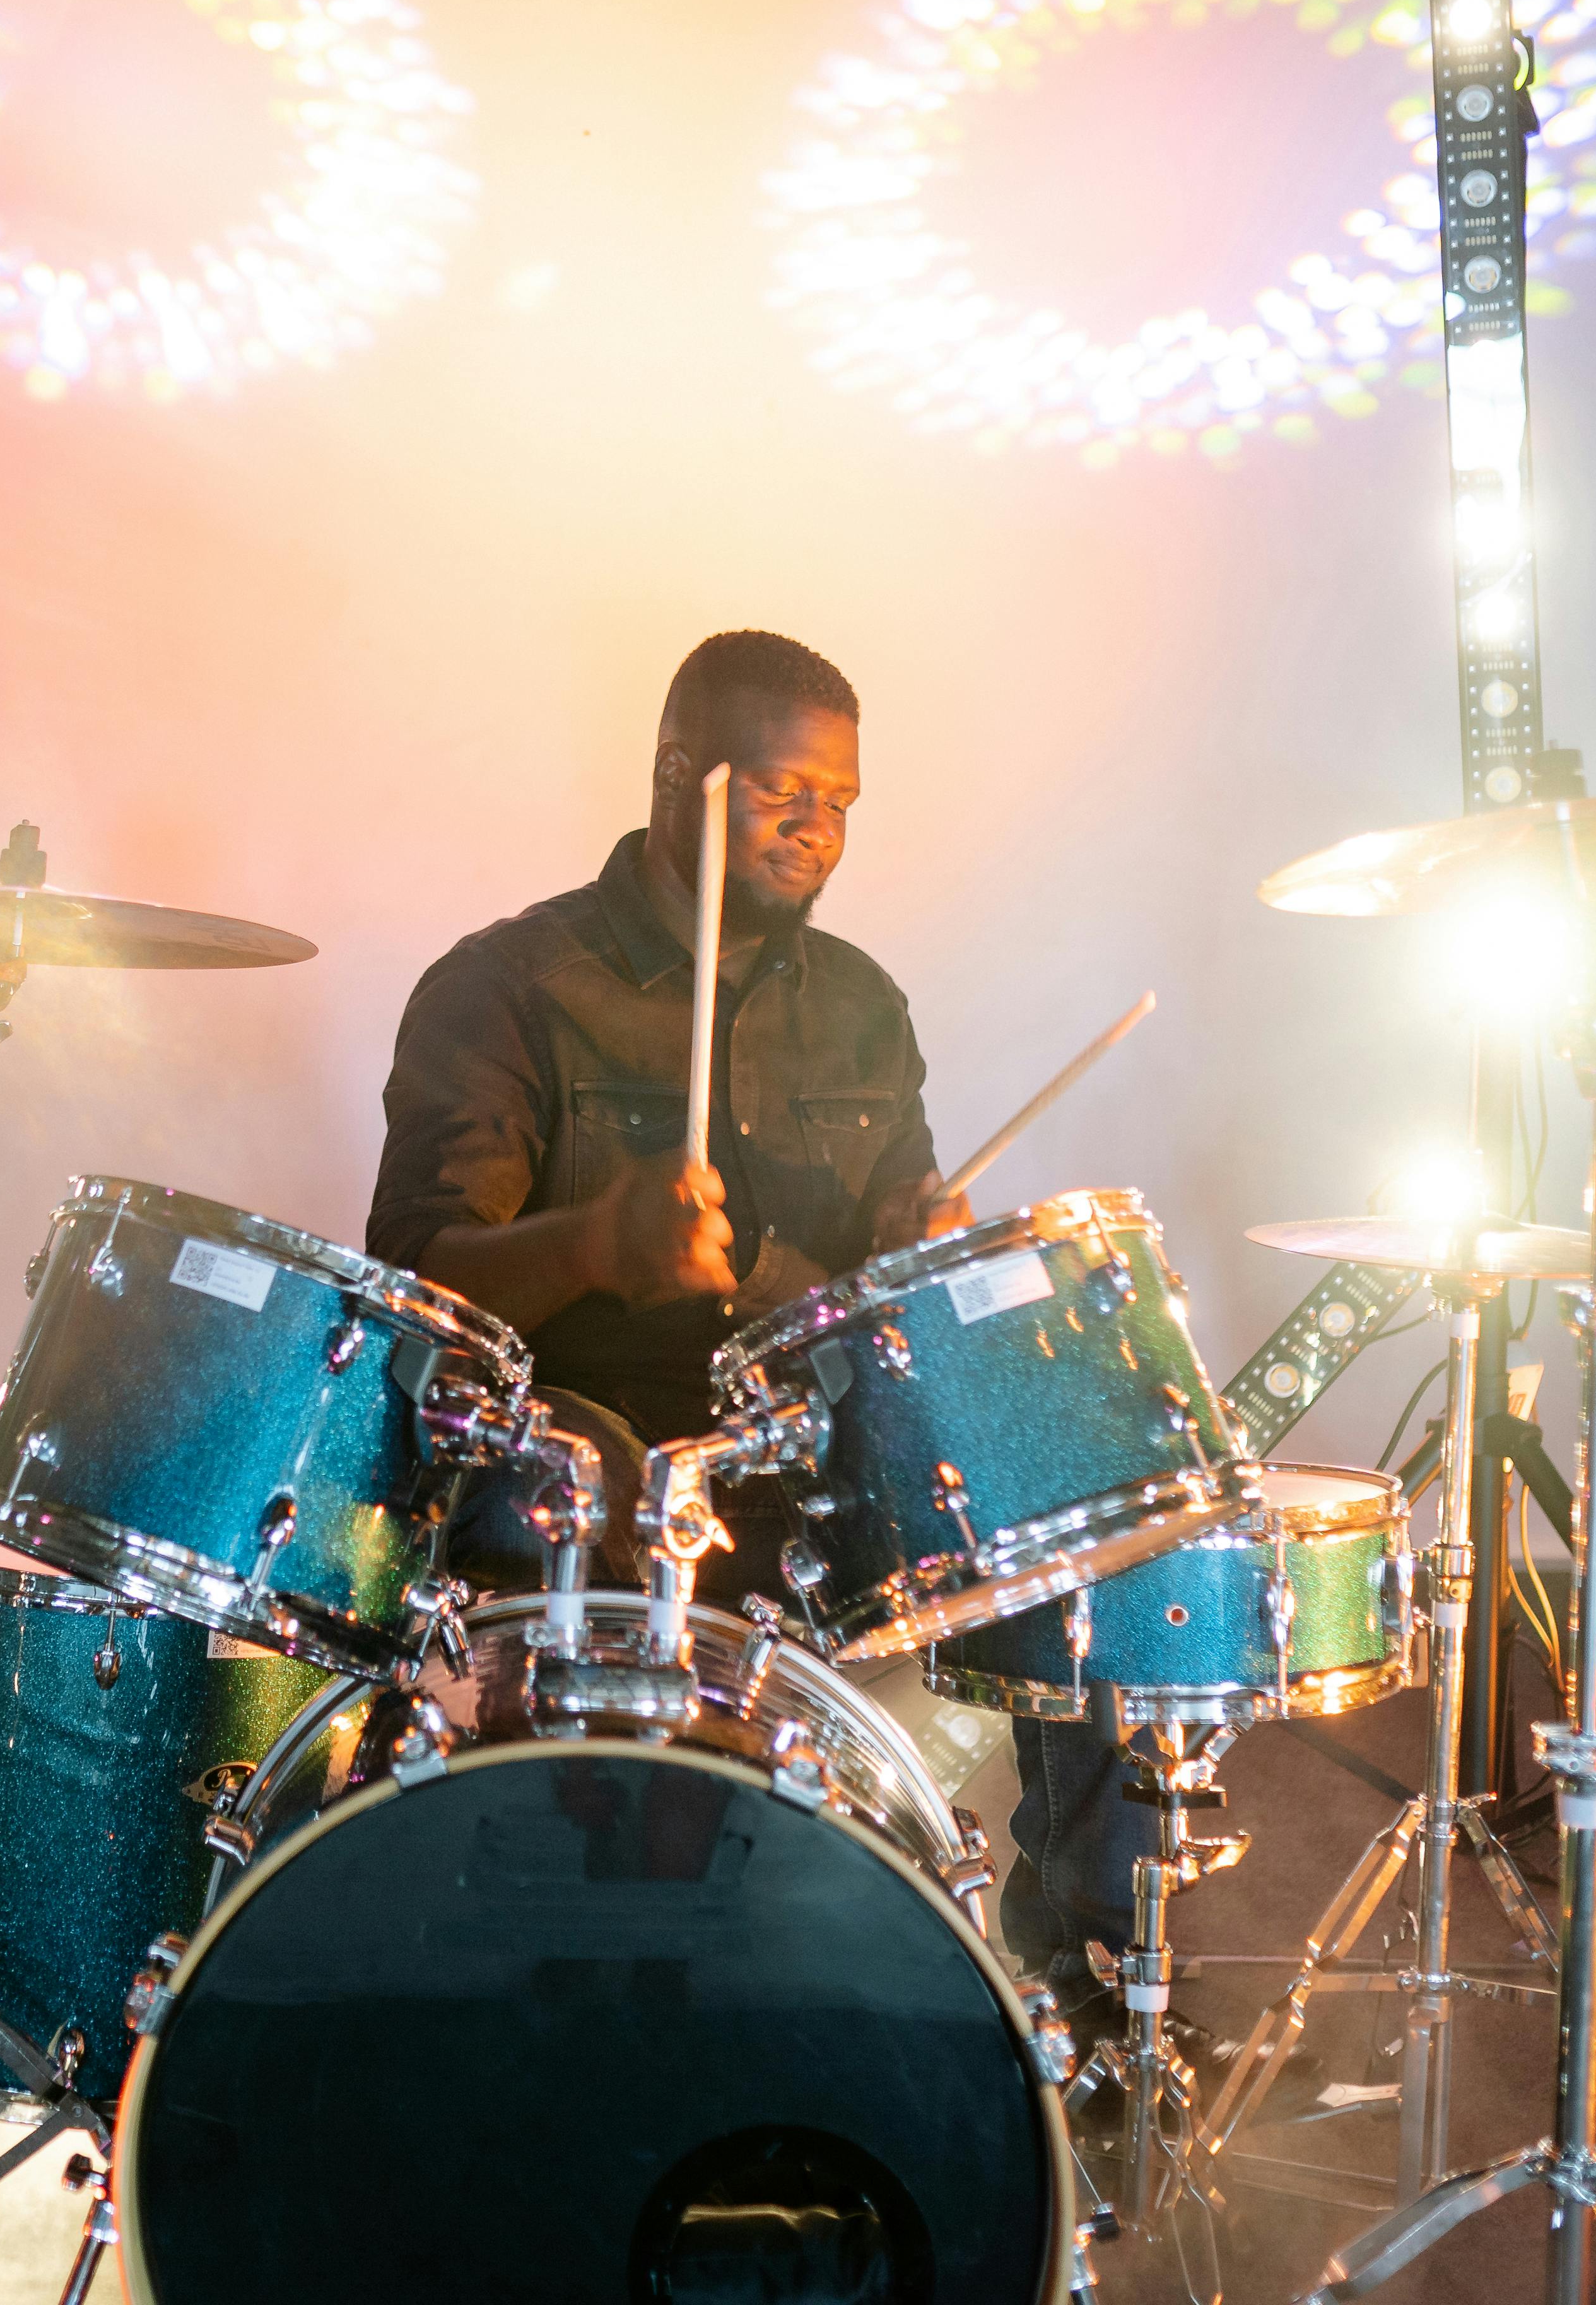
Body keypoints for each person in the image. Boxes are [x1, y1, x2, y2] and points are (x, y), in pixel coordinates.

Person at [361, 628, 1149, 2009]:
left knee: (1081, 1485)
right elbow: (422, 1279)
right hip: (569, 1442)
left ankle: (1088, 1974)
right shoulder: (509, 985)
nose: (821, 830)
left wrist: (912, 1246)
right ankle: (625, 1971)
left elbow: (874, 1282)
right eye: (787, 792)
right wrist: (598, 1242)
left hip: (803, 1438)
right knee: (609, 1474)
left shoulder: (858, 1007)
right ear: (680, 773)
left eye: (842, 801)